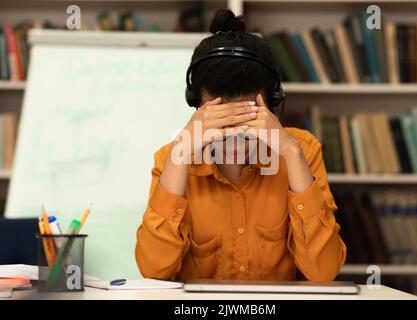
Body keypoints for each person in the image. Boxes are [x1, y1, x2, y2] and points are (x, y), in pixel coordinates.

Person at [136, 9, 346, 282]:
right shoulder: (172, 158)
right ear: (197, 107)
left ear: (271, 105)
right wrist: (179, 157)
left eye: (248, 122)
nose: (234, 139)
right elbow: (153, 271)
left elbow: (324, 272)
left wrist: (292, 154)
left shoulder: (301, 150)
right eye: (222, 124)